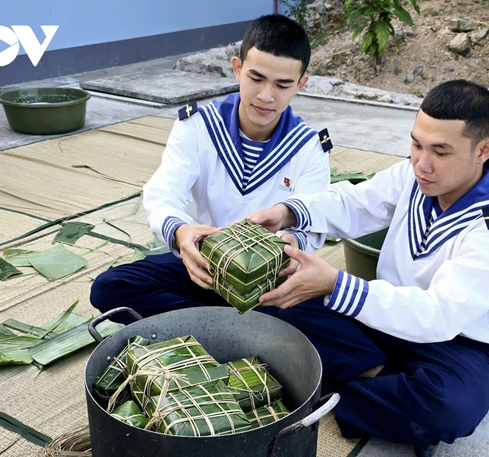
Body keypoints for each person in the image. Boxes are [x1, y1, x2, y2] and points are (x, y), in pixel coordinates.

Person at [247, 80, 489, 457]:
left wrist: (335, 284)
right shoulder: (415, 176)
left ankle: (341, 381)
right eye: (417, 144)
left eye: (441, 151)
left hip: (458, 347)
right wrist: (289, 211)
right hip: (380, 320)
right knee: (272, 300)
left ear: (484, 149)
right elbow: (356, 202)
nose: (422, 162)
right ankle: (378, 382)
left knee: (448, 408)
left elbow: (440, 315)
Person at [90, 14, 331, 318]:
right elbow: (164, 193)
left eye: (282, 85)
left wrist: (291, 243)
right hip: (203, 266)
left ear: (300, 84)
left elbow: (311, 221)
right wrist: (180, 232)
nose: (265, 96)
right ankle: (238, 330)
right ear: (237, 69)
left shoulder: (309, 146)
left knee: (345, 333)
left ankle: (201, 324)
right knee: (110, 287)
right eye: (256, 78)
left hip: (269, 281)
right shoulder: (200, 125)